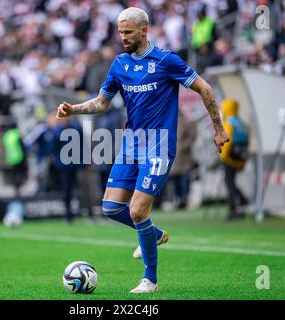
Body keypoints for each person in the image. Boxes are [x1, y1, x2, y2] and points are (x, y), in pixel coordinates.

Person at [56, 7, 228, 293]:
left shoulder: (166, 61)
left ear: (144, 30)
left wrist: (218, 128)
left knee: (137, 211)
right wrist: (73, 109)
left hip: (159, 146)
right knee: (110, 208)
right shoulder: (119, 65)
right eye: (120, 32)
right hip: (131, 145)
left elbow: (205, 89)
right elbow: (102, 102)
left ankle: (150, 280)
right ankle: (155, 234)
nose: (122, 37)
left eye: (128, 32)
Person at [219, 99, 249, 221]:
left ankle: (233, 209)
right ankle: (242, 200)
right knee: (231, 182)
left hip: (229, 158)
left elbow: (226, 142)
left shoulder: (228, 123)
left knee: (229, 183)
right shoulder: (242, 123)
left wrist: (222, 156)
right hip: (240, 158)